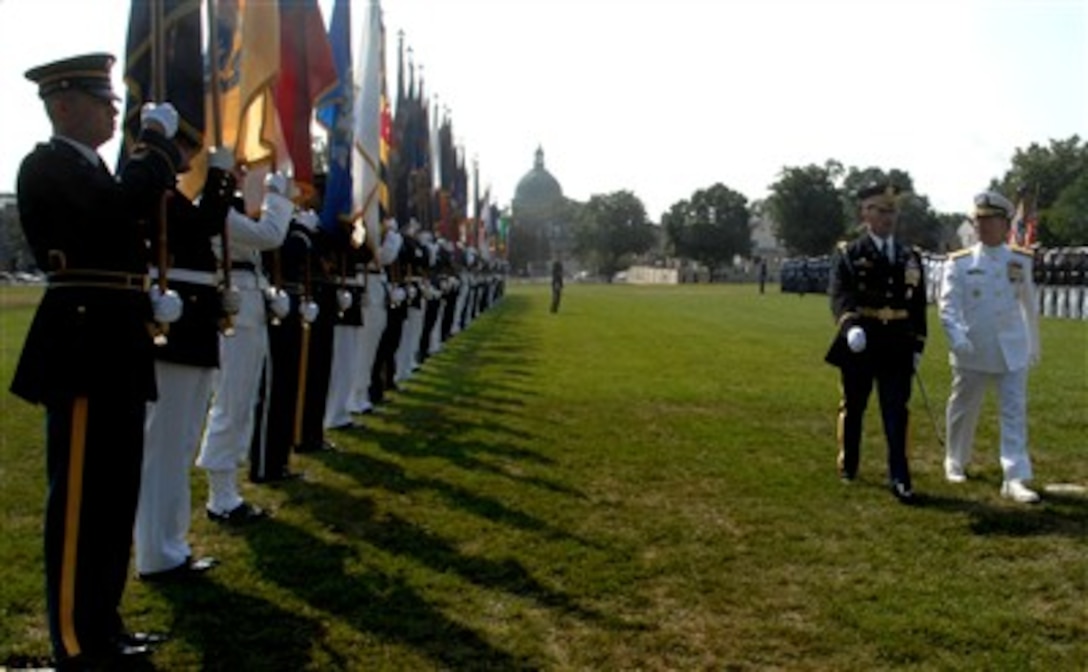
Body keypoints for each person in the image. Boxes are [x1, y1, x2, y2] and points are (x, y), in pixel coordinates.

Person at [11, 52, 181, 668]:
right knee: (81, 501)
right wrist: (154, 144)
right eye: (103, 102)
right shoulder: (46, 166)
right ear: (62, 105)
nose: (116, 112)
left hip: (114, 343)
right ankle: (74, 641)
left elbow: (129, 215)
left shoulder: (96, 171)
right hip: (82, 348)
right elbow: (119, 212)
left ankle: (103, 625)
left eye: (116, 104)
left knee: (114, 499)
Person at [133, 131, 235, 581]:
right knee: (165, 445)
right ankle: (157, 551)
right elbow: (205, 225)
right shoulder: (157, 197)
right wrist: (219, 177)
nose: (189, 155)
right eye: (183, 146)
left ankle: (168, 545)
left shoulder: (170, 196)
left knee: (179, 440)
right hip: (175, 328)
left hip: (192, 326)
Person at [195, 170, 293, 523]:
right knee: (230, 401)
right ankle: (220, 495)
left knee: (243, 400)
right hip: (233, 307)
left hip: (249, 302)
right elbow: (270, 235)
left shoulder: (231, 210)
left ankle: (227, 489)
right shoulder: (215, 209)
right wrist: (277, 197)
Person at [825, 181, 927, 504]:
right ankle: (849, 463)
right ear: (865, 213)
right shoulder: (849, 253)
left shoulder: (910, 256)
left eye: (892, 211)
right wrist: (850, 325)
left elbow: (917, 305)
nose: (888, 217)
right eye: (880, 211)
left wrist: (918, 344)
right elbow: (840, 294)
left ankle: (899, 475)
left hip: (897, 341)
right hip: (862, 339)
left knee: (896, 410)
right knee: (854, 405)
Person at [939, 191, 1042, 503]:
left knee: (1013, 412)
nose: (982, 226)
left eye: (989, 220)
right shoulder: (960, 263)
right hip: (973, 347)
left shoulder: (1019, 260)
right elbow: (948, 306)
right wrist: (956, 337)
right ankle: (955, 459)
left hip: (1012, 348)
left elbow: (1029, 306)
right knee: (963, 408)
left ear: (1004, 223)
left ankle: (1015, 476)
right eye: (979, 220)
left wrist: (1033, 344)